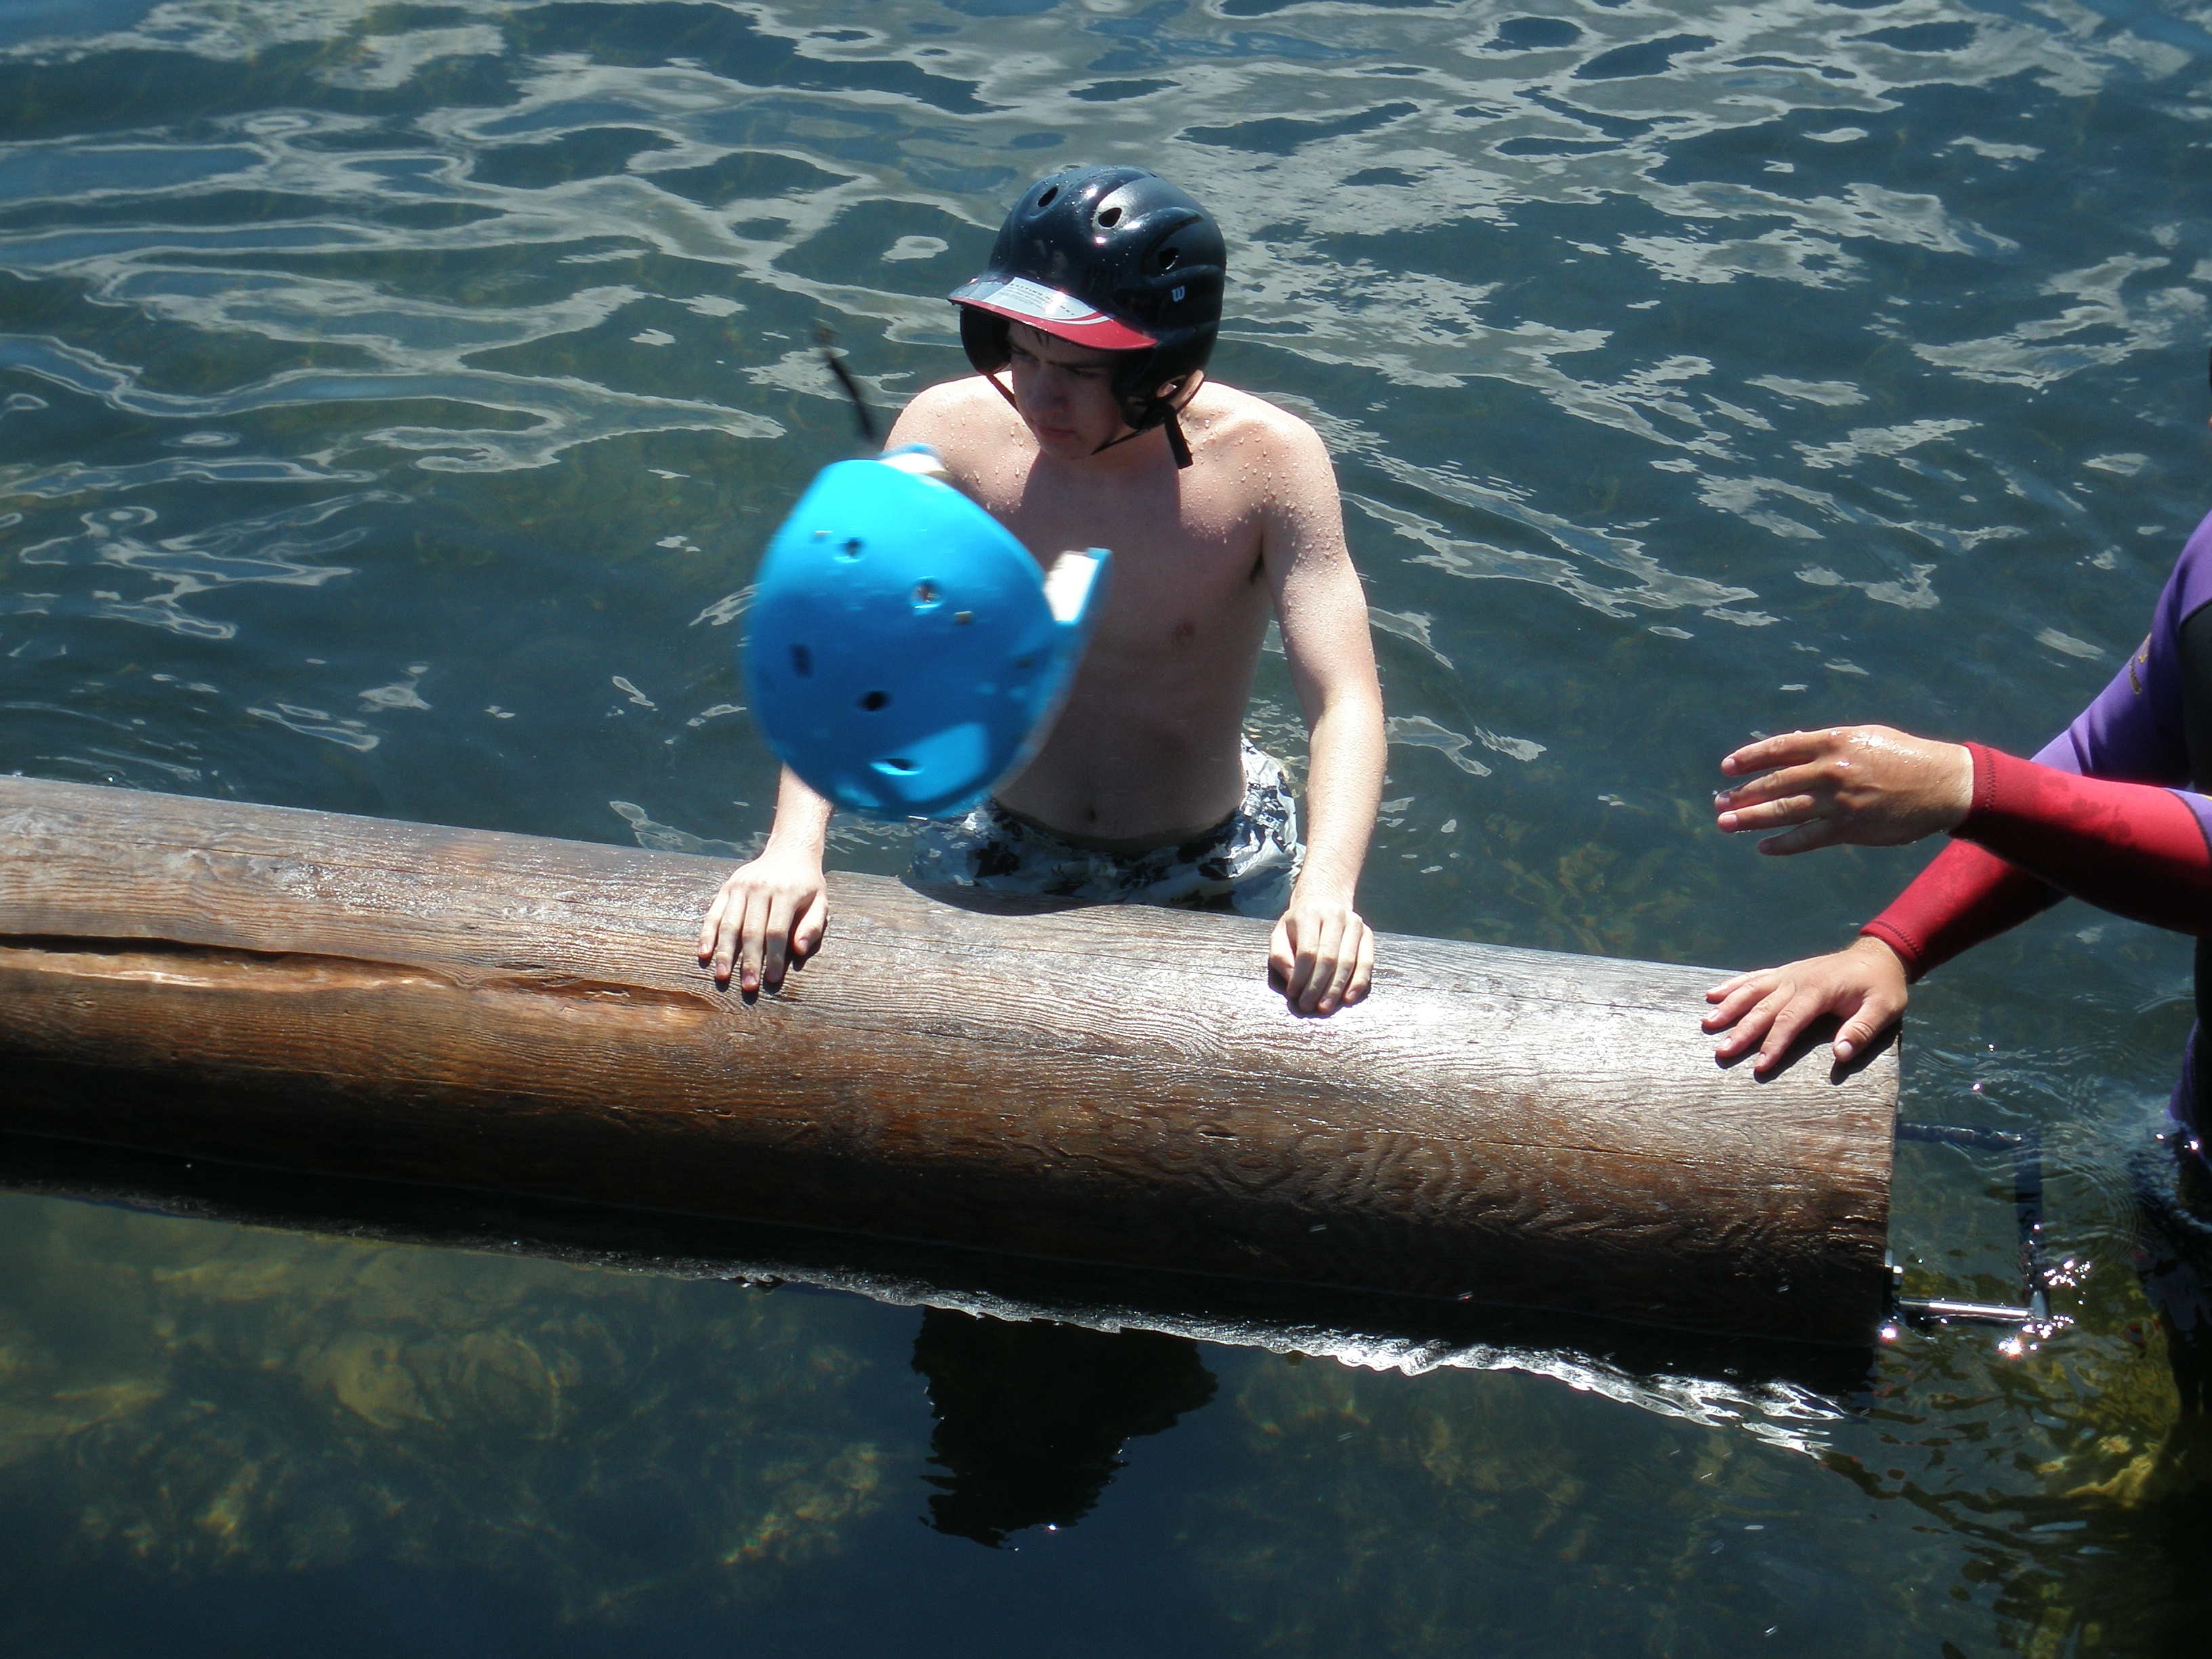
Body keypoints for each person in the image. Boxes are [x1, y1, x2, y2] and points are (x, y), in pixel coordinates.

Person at [697, 165, 1386, 1015]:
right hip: (999, 831)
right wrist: (792, 849)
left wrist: (1328, 890)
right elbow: (845, 642)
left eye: (1080, 371)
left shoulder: (1269, 463)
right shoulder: (951, 433)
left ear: (1163, 366)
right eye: (1023, 354)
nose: (1040, 397)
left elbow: (1345, 697)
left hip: (1211, 851)